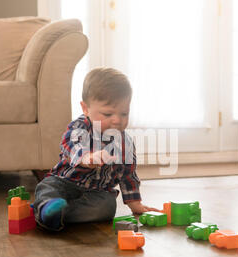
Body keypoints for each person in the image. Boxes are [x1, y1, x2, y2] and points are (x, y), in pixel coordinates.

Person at [33, 67, 158, 231]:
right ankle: (46, 207)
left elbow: (128, 175)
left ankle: (58, 214)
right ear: (85, 109)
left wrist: (135, 204)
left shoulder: (124, 142)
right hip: (65, 181)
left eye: (124, 114)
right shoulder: (80, 126)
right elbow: (70, 144)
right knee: (48, 187)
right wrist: (85, 157)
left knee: (107, 207)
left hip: (97, 191)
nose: (116, 120)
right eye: (107, 114)